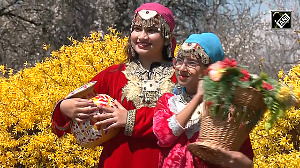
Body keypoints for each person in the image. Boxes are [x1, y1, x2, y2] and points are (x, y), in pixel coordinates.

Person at [51, 2, 177, 168]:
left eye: (152, 31)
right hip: (118, 161)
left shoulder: (180, 76)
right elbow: (70, 118)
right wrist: (65, 107)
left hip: (167, 162)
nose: (142, 36)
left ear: (167, 36)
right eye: (137, 29)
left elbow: (184, 118)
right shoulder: (112, 75)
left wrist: (129, 119)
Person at [153, 33, 254, 168]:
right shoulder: (167, 102)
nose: (182, 68)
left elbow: (246, 161)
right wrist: (198, 98)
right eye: (180, 60)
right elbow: (164, 136)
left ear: (208, 70)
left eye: (192, 63)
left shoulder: (225, 111)